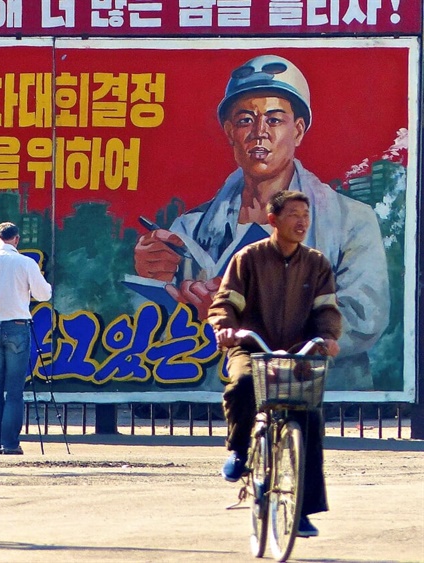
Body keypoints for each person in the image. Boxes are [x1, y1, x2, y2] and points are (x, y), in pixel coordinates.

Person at [133, 54, 389, 390]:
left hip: (318, 400)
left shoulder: (351, 221)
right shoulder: (189, 229)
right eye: (244, 121)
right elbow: (148, 327)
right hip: (217, 400)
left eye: (274, 119)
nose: (259, 133)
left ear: (297, 130)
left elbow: (362, 318)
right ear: (229, 133)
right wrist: (151, 273)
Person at [208, 189, 341, 537]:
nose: (301, 222)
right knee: (242, 385)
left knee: (309, 417)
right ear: (273, 220)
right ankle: (238, 450)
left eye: (305, 215)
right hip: (253, 348)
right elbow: (225, 303)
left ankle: (303, 512)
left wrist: (327, 338)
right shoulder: (248, 259)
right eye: (294, 214)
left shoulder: (317, 263)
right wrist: (225, 330)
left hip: (297, 353)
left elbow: (326, 309)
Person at [0, 222, 52, 455]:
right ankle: (11, 443)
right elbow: (43, 294)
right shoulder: (26, 263)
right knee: (14, 390)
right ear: (16, 239)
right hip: (17, 326)